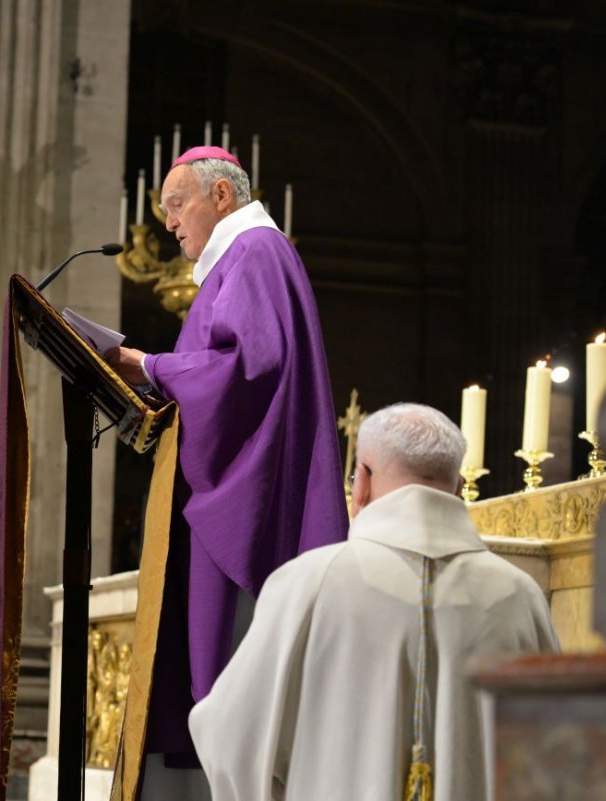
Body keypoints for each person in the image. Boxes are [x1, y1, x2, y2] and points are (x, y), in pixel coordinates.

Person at [105, 146, 349, 788]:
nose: (169, 223)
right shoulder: (242, 258)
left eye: (176, 204)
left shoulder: (255, 252)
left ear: (220, 196)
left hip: (247, 493)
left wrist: (152, 366)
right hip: (239, 476)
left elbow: (248, 367)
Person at [189, 403, 560, 800]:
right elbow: (557, 753)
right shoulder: (521, 596)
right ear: (457, 489)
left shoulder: (307, 584)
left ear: (361, 480)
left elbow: (232, 736)